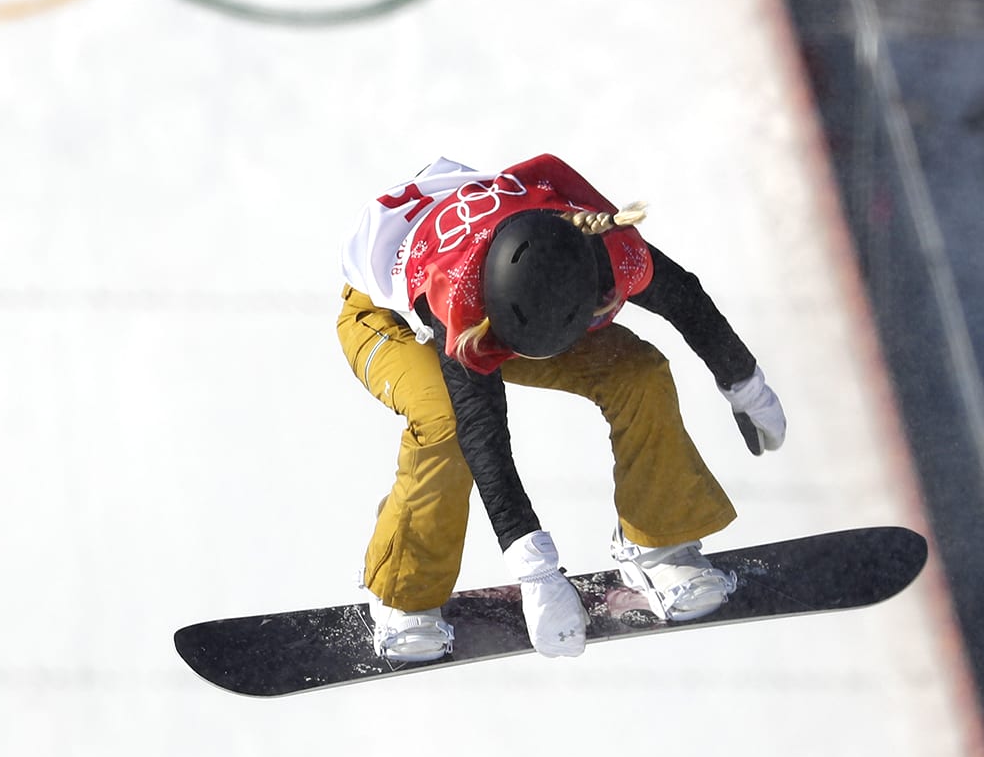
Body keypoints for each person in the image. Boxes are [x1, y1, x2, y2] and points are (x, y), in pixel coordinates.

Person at [336, 154, 787, 661]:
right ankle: (403, 588)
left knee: (635, 370)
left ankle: (659, 534)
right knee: (443, 419)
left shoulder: (604, 248)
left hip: (513, 288)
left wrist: (746, 385)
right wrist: (536, 572)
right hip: (390, 314)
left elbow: (683, 296)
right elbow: (482, 434)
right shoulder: (455, 299)